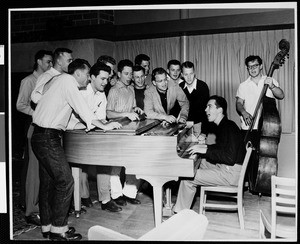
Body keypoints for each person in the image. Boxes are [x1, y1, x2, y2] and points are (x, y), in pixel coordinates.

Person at [31, 59, 121, 241]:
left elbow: (67, 117)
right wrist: (105, 126)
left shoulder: (59, 82)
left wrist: (91, 124)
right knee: (66, 182)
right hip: (48, 138)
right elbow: (83, 109)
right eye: (88, 75)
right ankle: (59, 230)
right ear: (78, 73)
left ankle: (48, 227)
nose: (88, 79)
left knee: (48, 185)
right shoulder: (67, 81)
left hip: (41, 135)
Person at [173, 95, 246, 213]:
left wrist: (205, 150)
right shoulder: (224, 125)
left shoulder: (229, 127)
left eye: (209, 106)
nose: (206, 110)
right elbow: (221, 148)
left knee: (187, 177)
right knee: (199, 162)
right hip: (228, 169)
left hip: (231, 174)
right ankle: (181, 204)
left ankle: (180, 213)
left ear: (220, 110)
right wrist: (204, 146)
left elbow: (229, 157)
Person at [66, 62, 122, 212]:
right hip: (73, 132)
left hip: (91, 131)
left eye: (107, 79)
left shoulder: (101, 93)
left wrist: (106, 123)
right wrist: (95, 124)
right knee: (78, 167)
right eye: (102, 79)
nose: (105, 82)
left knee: (104, 160)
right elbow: (72, 117)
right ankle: (80, 198)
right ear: (91, 77)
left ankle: (105, 199)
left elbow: (100, 117)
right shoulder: (80, 92)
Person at [236, 55, 284, 190]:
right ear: (247, 68)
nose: (253, 69)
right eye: (250, 67)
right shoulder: (243, 85)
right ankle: (247, 186)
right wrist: (244, 112)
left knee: (263, 159)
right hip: (248, 127)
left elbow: (281, 95)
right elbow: (239, 103)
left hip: (267, 127)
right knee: (248, 159)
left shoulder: (269, 80)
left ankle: (262, 186)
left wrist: (272, 86)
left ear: (261, 66)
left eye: (255, 66)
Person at [16, 49, 53, 225]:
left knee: (43, 171)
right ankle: (31, 209)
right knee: (33, 172)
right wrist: (37, 113)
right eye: (48, 62)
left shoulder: (47, 80)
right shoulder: (28, 81)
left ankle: (40, 205)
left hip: (46, 129)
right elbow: (20, 105)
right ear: (38, 61)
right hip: (33, 128)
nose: (50, 65)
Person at [106, 59, 143, 206]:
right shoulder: (114, 90)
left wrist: (135, 109)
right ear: (119, 73)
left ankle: (129, 193)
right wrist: (127, 113)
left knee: (132, 162)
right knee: (116, 165)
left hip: (129, 131)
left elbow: (132, 107)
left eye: (131, 74)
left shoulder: (131, 89)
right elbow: (108, 113)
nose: (129, 77)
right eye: (126, 74)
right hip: (117, 131)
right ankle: (115, 195)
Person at [180, 61, 210, 139]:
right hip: (184, 126)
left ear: (194, 73)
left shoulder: (202, 86)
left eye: (191, 74)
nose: (189, 77)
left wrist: (204, 132)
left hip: (199, 126)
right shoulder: (179, 87)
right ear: (182, 75)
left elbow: (206, 110)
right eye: (186, 74)